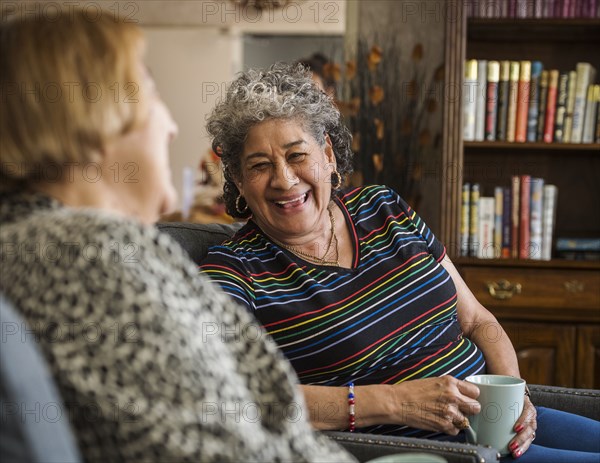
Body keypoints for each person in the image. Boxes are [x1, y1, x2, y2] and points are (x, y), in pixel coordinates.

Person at [200, 63, 600, 462]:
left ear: (327, 157)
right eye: (259, 165)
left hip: (498, 422)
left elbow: (476, 319)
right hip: (420, 449)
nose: (285, 179)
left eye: (297, 155)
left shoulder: (383, 206)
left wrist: (516, 396)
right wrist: (390, 402)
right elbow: (235, 401)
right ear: (236, 177)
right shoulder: (233, 271)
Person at [0, 12, 354, 462]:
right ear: (93, 123)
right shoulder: (88, 257)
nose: (169, 126)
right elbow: (222, 452)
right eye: (151, 93)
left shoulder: (41, 244)